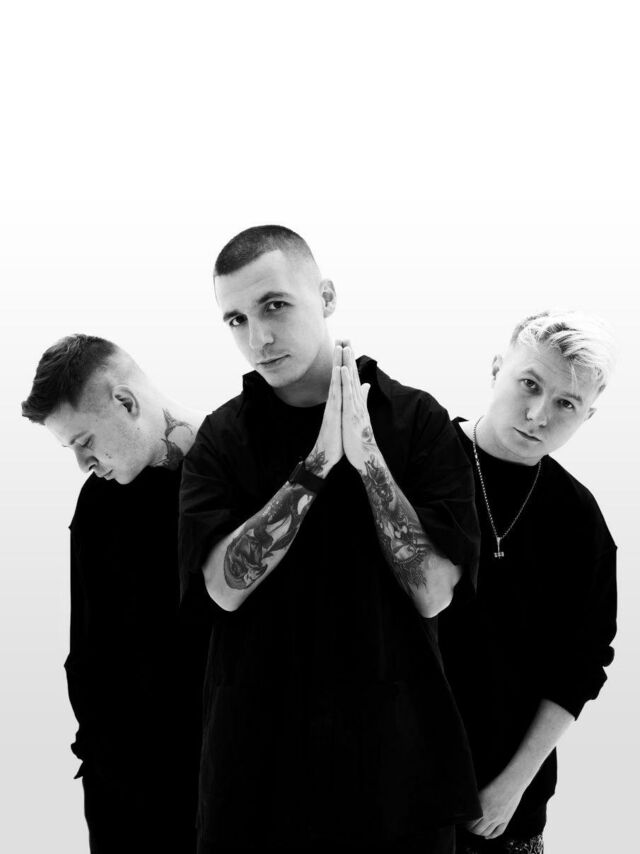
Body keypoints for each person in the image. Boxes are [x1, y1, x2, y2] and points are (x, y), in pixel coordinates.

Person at [179, 225, 482, 854]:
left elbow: (433, 593)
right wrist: (317, 464)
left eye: (274, 306)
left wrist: (366, 457)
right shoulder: (222, 437)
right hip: (259, 777)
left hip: (397, 776)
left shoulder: (417, 420)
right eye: (236, 319)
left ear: (326, 297)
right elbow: (223, 588)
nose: (258, 338)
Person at [22, 334, 211, 853]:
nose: (84, 463)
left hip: (229, 781)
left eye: (85, 442)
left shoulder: (234, 464)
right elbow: (86, 651)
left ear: (125, 402)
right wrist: (104, 760)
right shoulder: (98, 504)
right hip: (126, 796)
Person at [438, 311, 618, 854]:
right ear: (497, 369)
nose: (539, 415)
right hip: (385, 787)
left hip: (498, 808)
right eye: (530, 384)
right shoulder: (422, 461)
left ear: (588, 416)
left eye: (566, 404)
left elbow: (581, 666)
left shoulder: (580, 519)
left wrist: (510, 789)